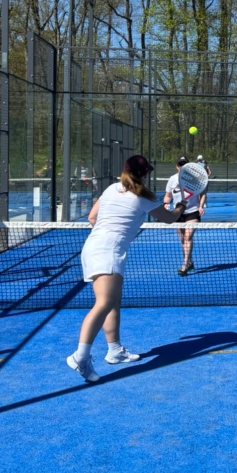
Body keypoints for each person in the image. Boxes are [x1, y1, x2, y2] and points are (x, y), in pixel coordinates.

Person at [68, 155, 186, 382]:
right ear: (145, 174)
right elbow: (170, 218)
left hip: (93, 246)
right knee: (104, 303)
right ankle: (80, 357)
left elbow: (92, 217)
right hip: (108, 251)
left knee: (112, 301)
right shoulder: (144, 196)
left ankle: (115, 350)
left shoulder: (111, 189)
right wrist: (182, 205)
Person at [164, 155, 207, 275]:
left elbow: (203, 194)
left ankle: (185, 264)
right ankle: (190, 261)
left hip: (193, 212)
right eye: (180, 164)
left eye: (184, 164)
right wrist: (166, 204)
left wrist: (201, 206)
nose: (182, 166)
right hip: (178, 213)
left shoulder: (195, 179)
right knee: (183, 239)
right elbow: (168, 196)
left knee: (188, 237)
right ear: (177, 166)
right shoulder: (172, 179)